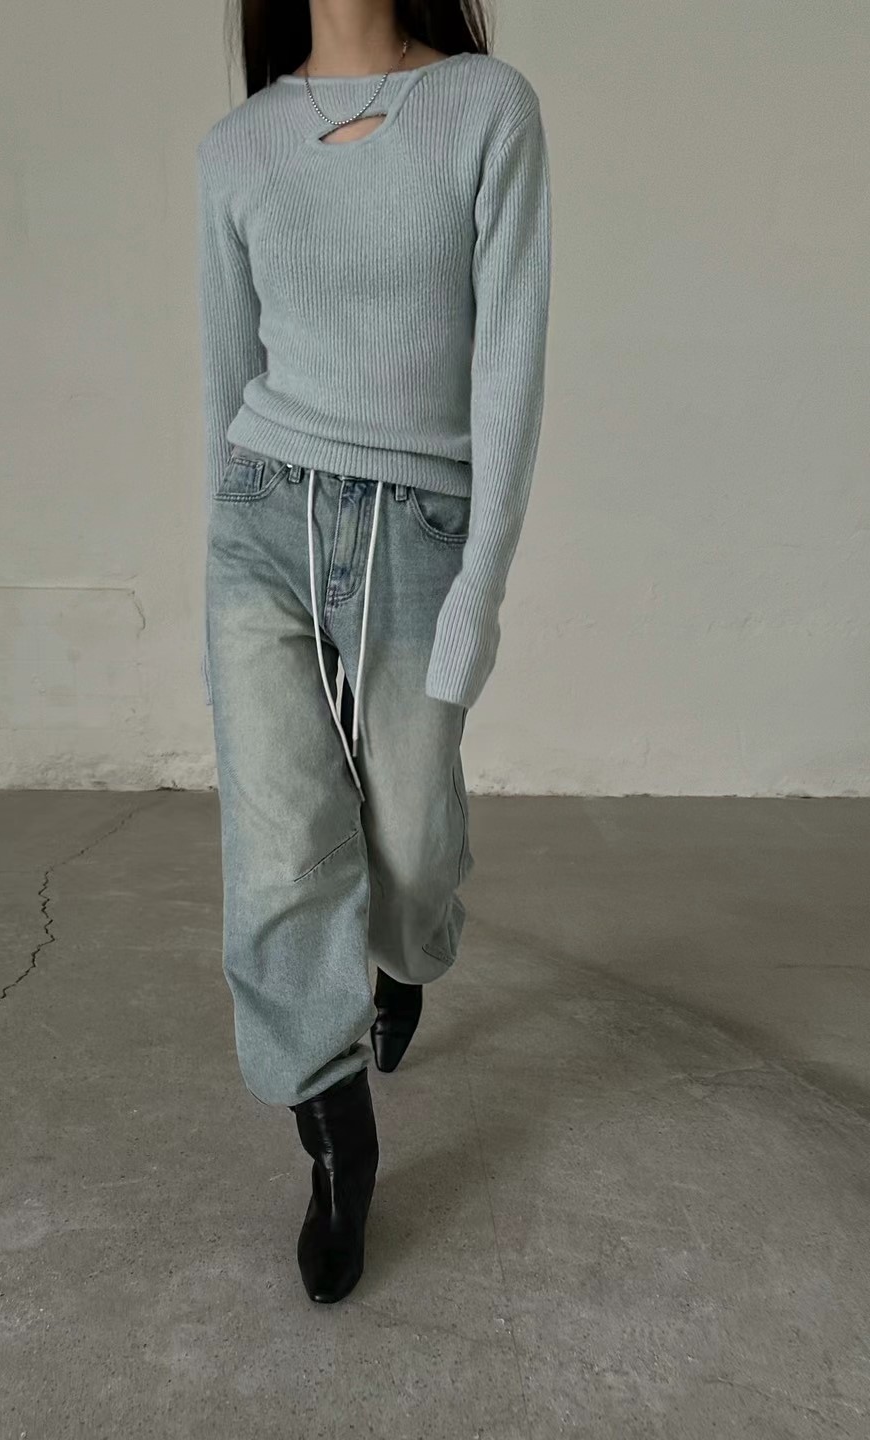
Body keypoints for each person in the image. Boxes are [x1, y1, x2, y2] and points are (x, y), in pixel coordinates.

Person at [194, 0, 551, 1304]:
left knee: (411, 849)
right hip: (261, 521)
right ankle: (336, 1134)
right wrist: (217, 563)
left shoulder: (486, 108)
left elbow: (509, 373)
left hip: (420, 531)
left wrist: (476, 607)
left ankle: (405, 963)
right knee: (282, 852)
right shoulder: (238, 146)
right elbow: (225, 373)